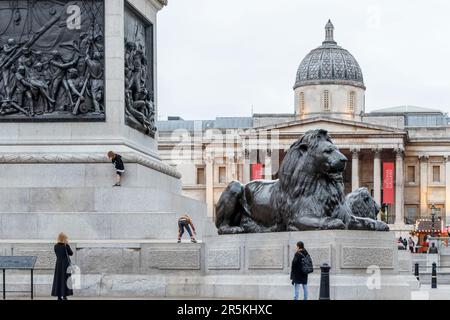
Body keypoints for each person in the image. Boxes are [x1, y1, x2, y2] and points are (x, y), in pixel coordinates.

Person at [51, 233, 74, 300]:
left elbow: (57, 253)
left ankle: (58, 296)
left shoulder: (55, 246)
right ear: (64, 239)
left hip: (58, 265)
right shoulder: (65, 246)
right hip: (65, 265)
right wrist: (67, 245)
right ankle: (64, 295)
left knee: (58, 279)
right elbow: (71, 253)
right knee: (65, 279)